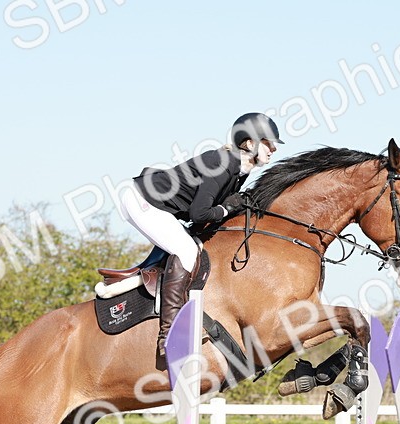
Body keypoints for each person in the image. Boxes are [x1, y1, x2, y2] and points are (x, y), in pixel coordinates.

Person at [121, 112, 283, 369]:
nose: (273, 149)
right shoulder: (221, 163)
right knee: (186, 251)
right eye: (268, 143)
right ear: (250, 143)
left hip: (160, 205)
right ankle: (169, 335)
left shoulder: (240, 169)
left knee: (193, 244)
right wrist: (227, 209)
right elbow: (200, 214)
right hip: (142, 200)